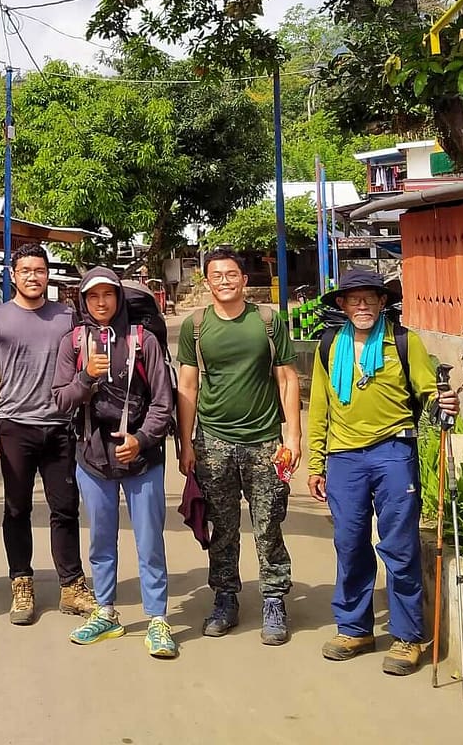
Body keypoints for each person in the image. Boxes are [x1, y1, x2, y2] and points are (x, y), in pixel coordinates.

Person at [307, 268, 459, 676]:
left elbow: (430, 392)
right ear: (342, 304)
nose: (361, 305)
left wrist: (445, 403)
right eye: (353, 299)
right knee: (350, 543)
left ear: (381, 303)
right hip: (343, 458)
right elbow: (319, 407)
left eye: (369, 298)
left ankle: (408, 636)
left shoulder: (404, 342)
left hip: (394, 451)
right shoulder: (328, 346)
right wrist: (315, 462)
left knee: (400, 546)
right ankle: (355, 628)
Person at [176, 247, 301, 645]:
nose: (225, 281)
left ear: (244, 280)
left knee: (268, 524)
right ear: (207, 281)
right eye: (217, 275)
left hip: (264, 440)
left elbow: (286, 379)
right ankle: (225, 597)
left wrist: (293, 436)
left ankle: (274, 599)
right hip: (213, 441)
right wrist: (186, 443)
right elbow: (188, 387)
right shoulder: (195, 326)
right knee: (222, 528)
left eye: (232, 274)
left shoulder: (266, 321)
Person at [52, 267, 177, 658]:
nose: (101, 302)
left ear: (119, 298)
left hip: (142, 456)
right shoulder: (73, 342)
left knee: (149, 541)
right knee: (101, 541)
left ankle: (158, 619)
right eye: (93, 297)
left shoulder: (143, 341)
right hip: (92, 456)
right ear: (83, 302)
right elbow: (59, 400)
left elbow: (163, 400)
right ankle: (106, 612)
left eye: (108, 295)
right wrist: (86, 377)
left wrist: (141, 440)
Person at [0, 243, 96, 625]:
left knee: (65, 507)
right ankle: (21, 582)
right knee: (16, 507)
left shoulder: (66, 316)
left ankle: (71, 585)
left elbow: (86, 361)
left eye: (39, 270)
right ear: (13, 275)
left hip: (60, 426)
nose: (32, 276)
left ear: (47, 274)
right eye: (25, 270)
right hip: (15, 426)